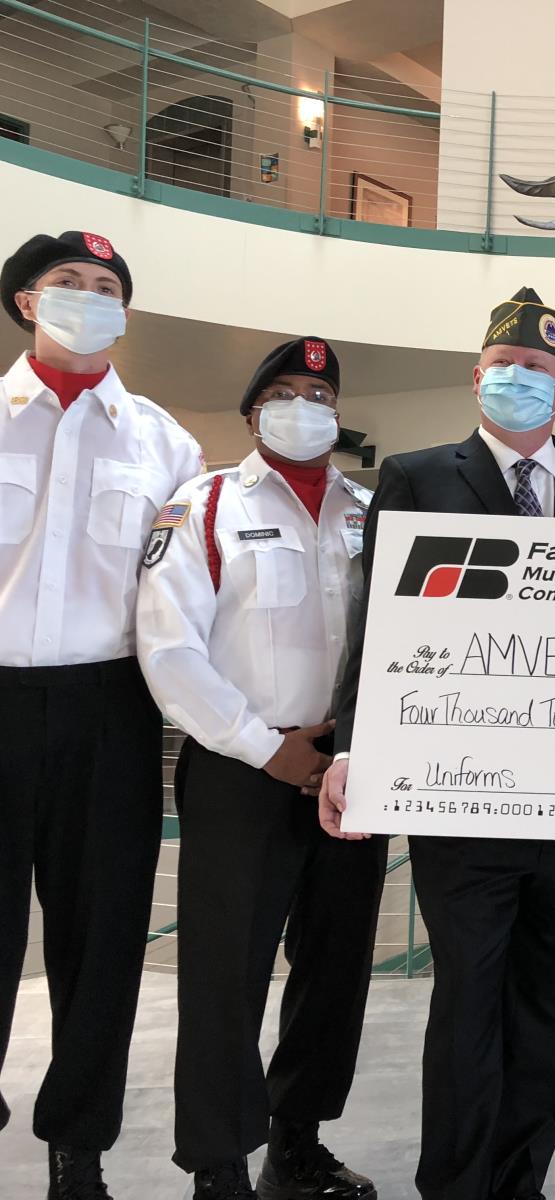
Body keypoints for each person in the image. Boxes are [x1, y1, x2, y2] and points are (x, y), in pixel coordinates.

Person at [317, 287, 555, 1200]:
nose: (519, 382)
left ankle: (520, 1181)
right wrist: (351, 746)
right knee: (468, 1002)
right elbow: (375, 621)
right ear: (475, 379)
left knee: (553, 1005)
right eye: (504, 368)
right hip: (460, 796)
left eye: (537, 371)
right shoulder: (418, 477)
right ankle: (455, 1185)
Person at [136, 338, 385, 1200]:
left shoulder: (373, 511)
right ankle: (217, 1165)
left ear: (338, 414)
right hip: (243, 769)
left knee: (334, 969)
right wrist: (267, 747)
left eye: (320, 392)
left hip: (349, 769)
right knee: (224, 975)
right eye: (283, 392)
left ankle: (298, 1143)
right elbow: (169, 653)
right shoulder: (201, 506)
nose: (304, 405)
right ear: (253, 414)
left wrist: (343, 748)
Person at [0, 231, 204, 1200]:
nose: (89, 297)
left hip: (112, 710)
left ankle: (77, 1152)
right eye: (67, 283)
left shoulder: (168, 445)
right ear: (27, 302)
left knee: (104, 940)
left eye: (107, 287)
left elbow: (197, 591)